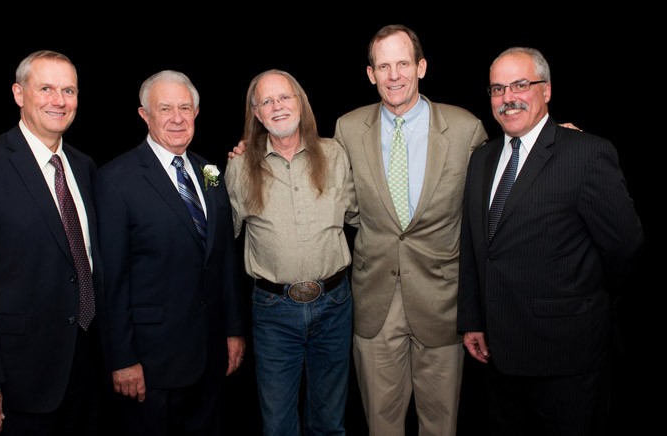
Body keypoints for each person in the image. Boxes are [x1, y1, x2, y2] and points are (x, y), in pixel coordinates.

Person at [457, 47, 643, 436]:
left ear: (547, 90)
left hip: (567, 356)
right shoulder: (482, 160)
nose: (508, 98)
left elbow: (625, 247)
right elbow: (476, 248)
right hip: (499, 356)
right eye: (497, 89)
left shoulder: (587, 154)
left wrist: (583, 299)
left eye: (520, 85)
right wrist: (472, 319)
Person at [0, 50, 106, 435]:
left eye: (69, 90)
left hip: (86, 369)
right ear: (18, 93)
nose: (59, 100)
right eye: (45, 88)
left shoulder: (84, 166)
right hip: (17, 378)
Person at [330, 24, 487, 436]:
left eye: (403, 63)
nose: (394, 75)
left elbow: (499, 191)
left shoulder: (465, 129)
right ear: (371, 74)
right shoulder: (347, 129)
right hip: (374, 301)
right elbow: (328, 190)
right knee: (381, 424)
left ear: (421, 67)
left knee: (441, 424)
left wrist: (560, 138)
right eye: (384, 66)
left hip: (442, 302)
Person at [94, 69, 246, 436]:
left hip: (210, 355)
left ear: (196, 112)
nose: (177, 118)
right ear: (145, 115)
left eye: (185, 107)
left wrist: (233, 330)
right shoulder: (116, 179)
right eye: (165, 109)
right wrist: (123, 359)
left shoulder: (210, 170)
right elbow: (111, 280)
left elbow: (223, 257)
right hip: (151, 363)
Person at [225, 70, 359, 435]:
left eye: (284, 97)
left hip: (334, 306)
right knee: (278, 425)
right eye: (266, 101)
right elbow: (222, 243)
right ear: (256, 113)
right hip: (273, 314)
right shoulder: (238, 167)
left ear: (300, 102)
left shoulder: (334, 155)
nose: (277, 106)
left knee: (330, 423)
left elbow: (361, 218)